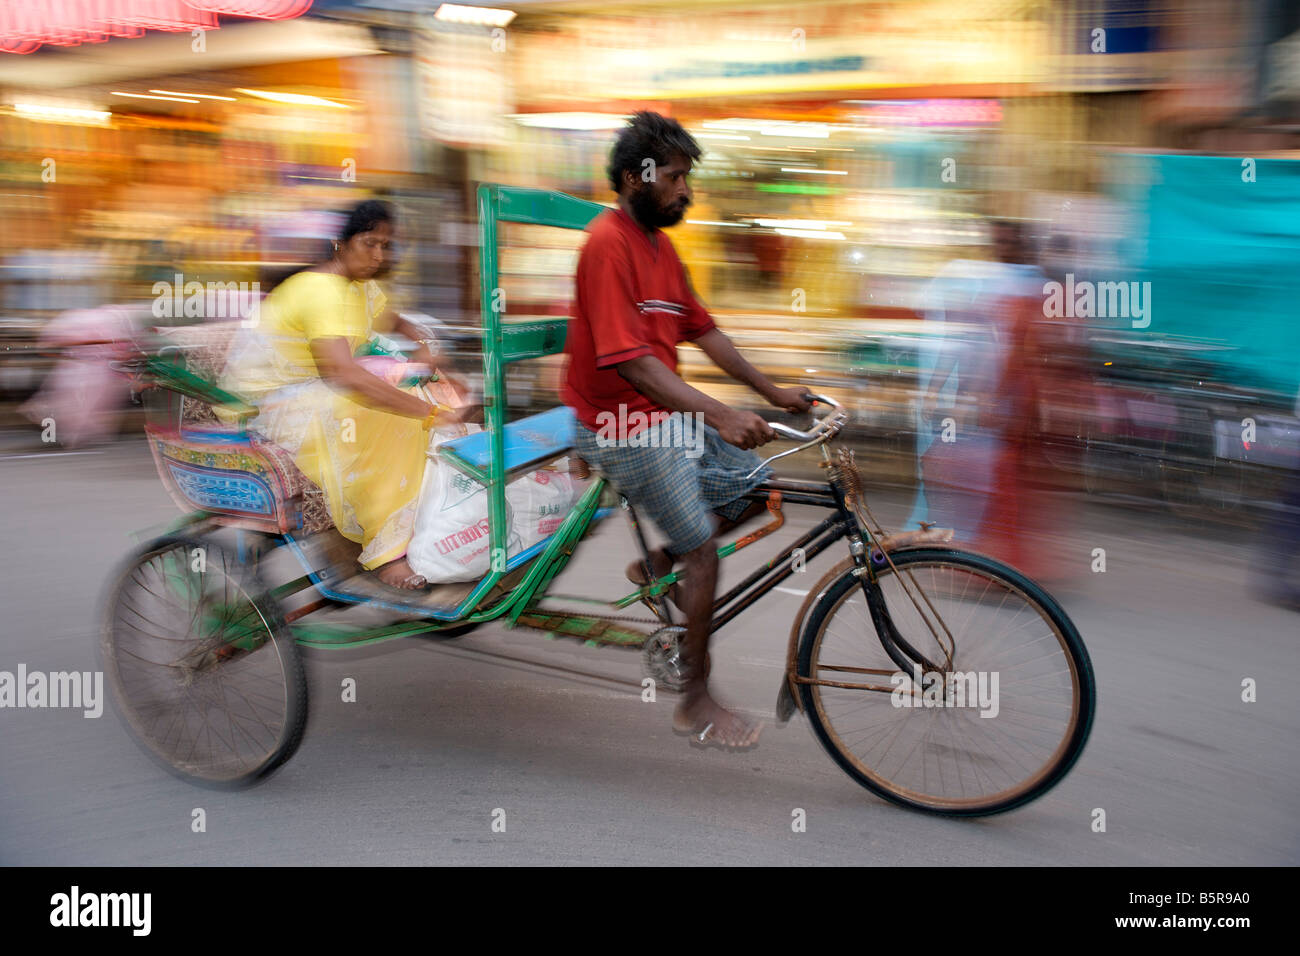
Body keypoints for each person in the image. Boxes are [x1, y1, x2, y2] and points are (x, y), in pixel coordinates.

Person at [562, 112, 811, 749]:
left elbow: (704, 331)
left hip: (660, 417)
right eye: (674, 178)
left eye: (686, 178)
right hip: (616, 425)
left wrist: (772, 393)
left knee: (758, 485)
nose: (685, 191)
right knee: (703, 546)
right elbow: (637, 367)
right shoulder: (606, 245)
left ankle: (658, 566)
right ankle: (694, 698)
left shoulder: (662, 250)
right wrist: (721, 414)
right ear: (633, 177)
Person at [221, 200, 464, 589]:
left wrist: (425, 347)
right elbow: (345, 374)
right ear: (341, 244)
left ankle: (424, 526)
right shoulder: (322, 291)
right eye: (369, 243)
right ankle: (385, 552)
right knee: (388, 414)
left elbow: (397, 321)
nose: (379, 255)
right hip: (269, 406)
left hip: (313, 392)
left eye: (386, 245)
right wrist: (426, 413)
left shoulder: (361, 289)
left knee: (426, 392)